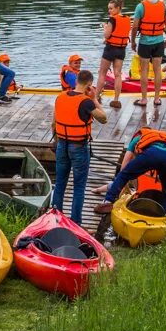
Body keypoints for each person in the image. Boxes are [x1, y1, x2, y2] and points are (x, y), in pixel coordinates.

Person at [51, 70, 108, 225]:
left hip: (62, 144)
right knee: (79, 187)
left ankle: (55, 217)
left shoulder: (60, 97)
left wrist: (56, 142)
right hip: (79, 147)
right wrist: (95, 98)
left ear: (76, 81)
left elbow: (54, 123)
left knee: (60, 183)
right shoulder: (86, 102)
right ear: (89, 84)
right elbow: (103, 119)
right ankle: (76, 223)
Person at [95, 127, 166, 216]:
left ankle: (107, 202)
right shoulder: (165, 139)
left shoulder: (138, 137)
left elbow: (123, 168)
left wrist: (124, 182)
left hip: (151, 154)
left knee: (123, 175)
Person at [130, 0, 166, 107]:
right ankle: (157, 99)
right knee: (158, 70)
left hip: (145, 43)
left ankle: (144, 99)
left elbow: (135, 26)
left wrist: (132, 41)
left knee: (144, 71)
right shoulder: (163, 5)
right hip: (159, 42)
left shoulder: (140, 6)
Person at [98, 0, 129, 110]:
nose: (109, 11)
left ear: (118, 8)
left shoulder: (112, 20)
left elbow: (106, 35)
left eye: (111, 8)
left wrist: (105, 27)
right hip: (121, 50)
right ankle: (116, 100)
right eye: (108, 9)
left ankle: (96, 97)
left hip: (110, 49)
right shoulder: (127, 19)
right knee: (117, 74)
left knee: (102, 72)